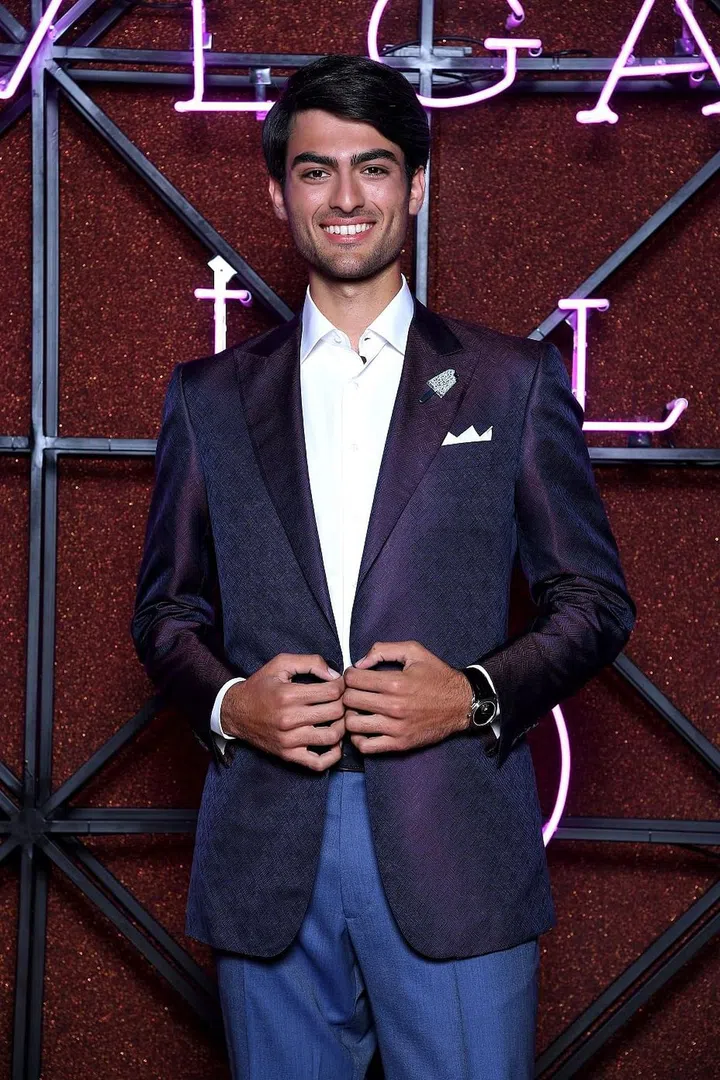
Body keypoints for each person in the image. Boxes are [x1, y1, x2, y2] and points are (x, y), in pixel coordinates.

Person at [131, 53, 636, 1080]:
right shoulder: (209, 397)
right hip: (269, 848)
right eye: (317, 171)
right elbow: (166, 613)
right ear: (279, 192)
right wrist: (231, 702)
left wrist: (476, 694)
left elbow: (592, 602)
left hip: (453, 841)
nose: (347, 196)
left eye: (374, 167)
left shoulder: (513, 380)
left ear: (416, 185)